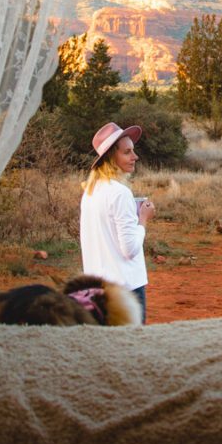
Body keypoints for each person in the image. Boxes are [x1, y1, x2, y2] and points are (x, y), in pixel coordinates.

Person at [80, 122, 156, 321]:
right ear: (112, 156)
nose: (135, 157)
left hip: (97, 288)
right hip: (126, 287)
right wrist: (143, 220)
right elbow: (129, 249)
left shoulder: (90, 190)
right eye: (127, 152)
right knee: (131, 346)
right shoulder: (120, 193)